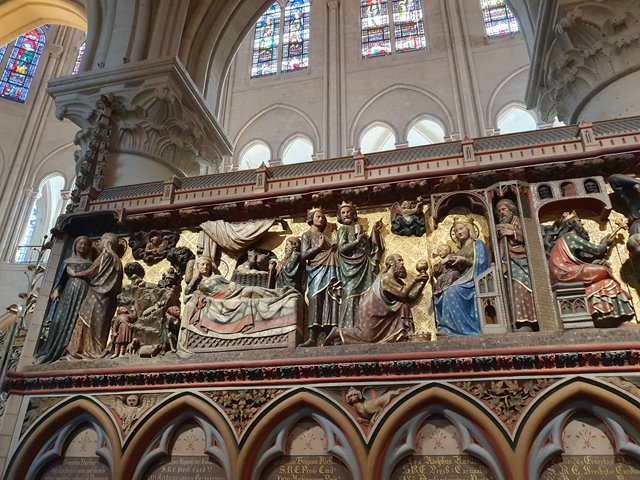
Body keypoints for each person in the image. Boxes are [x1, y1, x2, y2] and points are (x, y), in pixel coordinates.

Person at [546, 211, 636, 327]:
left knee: (603, 276)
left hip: (566, 271)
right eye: (579, 221)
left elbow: (584, 257)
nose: (582, 224)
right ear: (572, 224)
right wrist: (604, 243)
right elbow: (597, 250)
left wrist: (596, 259)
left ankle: (610, 313)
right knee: (603, 270)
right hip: (566, 272)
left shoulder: (565, 240)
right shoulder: (570, 236)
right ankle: (622, 293)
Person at [323, 254, 428, 345]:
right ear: (392, 263)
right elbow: (402, 293)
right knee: (367, 337)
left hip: (384, 313)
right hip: (372, 312)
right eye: (399, 260)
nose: (402, 263)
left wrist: (422, 282)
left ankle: (405, 336)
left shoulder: (397, 281)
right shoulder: (386, 278)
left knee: (404, 306)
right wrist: (415, 280)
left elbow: (411, 297)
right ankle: (338, 331)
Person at [182, 256, 301, 336]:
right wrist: (195, 277)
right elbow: (187, 292)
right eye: (202, 265)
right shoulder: (199, 284)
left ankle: (280, 294)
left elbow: (229, 283)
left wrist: (232, 285)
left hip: (233, 291)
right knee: (251, 295)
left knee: (254, 290)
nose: (205, 267)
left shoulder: (217, 277)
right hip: (222, 298)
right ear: (197, 267)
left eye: (207, 265)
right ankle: (278, 299)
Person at [36, 236, 93, 363]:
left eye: (86, 245)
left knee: (77, 320)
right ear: (75, 245)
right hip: (69, 293)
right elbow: (61, 280)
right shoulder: (68, 262)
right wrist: (57, 289)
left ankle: (71, 349)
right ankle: (54, 348)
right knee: (61, 318)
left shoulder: (91, 264)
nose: (83, 246)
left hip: (84, 293)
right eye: (81, 244)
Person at [66, 233, 124, 359]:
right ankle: (94, 349)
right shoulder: (117, 260)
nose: (99, 243)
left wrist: (75, 274)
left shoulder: (106, 256)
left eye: (101, 240)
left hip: (97, 295)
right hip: (108, 298)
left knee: (89, 320)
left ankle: (88, 350)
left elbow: (92, 270)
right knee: (100, 324)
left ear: (107, 242)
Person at [433, 217, 490, 336]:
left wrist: (464, 260)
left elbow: (482, 263)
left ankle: (463, 328)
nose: (458, 232)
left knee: (451, 292)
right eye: (456, 231)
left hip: (476, 279)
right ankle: (449, 328)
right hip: (462, 280)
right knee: (443, 292)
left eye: (461, 228)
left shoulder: (478, 244)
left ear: (469, 229)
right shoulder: (458, 251)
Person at [336, 202, 384, 328]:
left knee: (366, 295)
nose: (346, 214)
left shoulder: (359, 230)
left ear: (353, 214)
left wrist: (374, 231)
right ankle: (348, 329)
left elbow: (370, 249)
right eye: (343, 212)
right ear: (339, 216)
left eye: (348, 212)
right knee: (350, 294)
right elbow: (341, 249)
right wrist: (357, 241)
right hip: (349, 269)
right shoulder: (343, 229)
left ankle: (366, 327)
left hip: (364, 265)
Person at [299, 208, 341, 347]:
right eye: (318, 216)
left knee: (330, 299)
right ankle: (312, 337)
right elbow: (304, 255)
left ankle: (332, 335)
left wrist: (333, 248)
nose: (321, 219)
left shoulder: (326, 237)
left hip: (331, 268)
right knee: (315, 297)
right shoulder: (307, 235)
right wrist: (319, 247)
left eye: (323, 217)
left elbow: (331, 252)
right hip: (316, 270)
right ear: (311, 218)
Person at [495, 199, 537, 331]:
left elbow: (531, 237)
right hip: (507, 261)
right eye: (499, 211)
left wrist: (513, 233)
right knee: (509, 289)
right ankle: (515, 322)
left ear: (511, 210)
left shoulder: (521, 222)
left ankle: (527, 322)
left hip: (522, 260)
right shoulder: (500, 226)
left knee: (521, 286)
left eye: (504, 209)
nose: (501, 213)